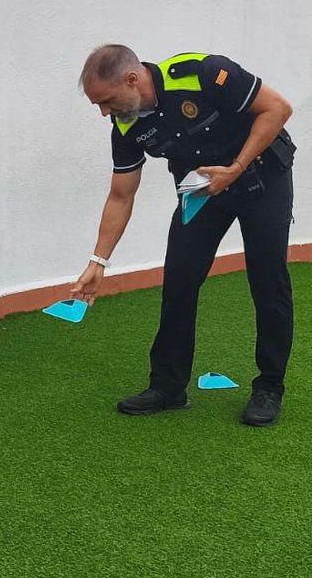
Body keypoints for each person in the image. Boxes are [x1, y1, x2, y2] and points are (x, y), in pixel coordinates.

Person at [72, 45, 295, 427]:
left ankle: (269, 387)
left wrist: (236, 167)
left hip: (261, 177)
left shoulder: (201, 73)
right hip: (204, 193)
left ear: (131, 79)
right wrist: (98, 261)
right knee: (179, 280)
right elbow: (121, 195)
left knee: (267, 281)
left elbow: (278, 108)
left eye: (106, 102)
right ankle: (168, 387)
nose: (105, 113)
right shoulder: (127, 125)